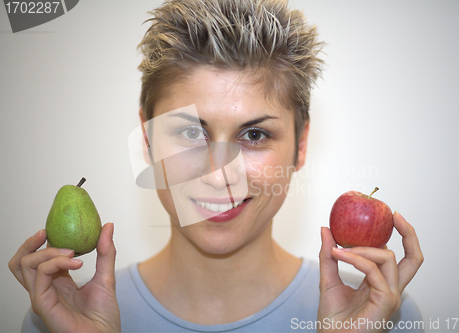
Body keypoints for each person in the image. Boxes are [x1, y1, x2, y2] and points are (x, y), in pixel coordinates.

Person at [9, 0, 424, 332]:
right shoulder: (57, 318)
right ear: (148, 140)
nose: (219, 173)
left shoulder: (381, 316)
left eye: (255, 135)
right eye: (191, 133)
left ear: (300, 146)